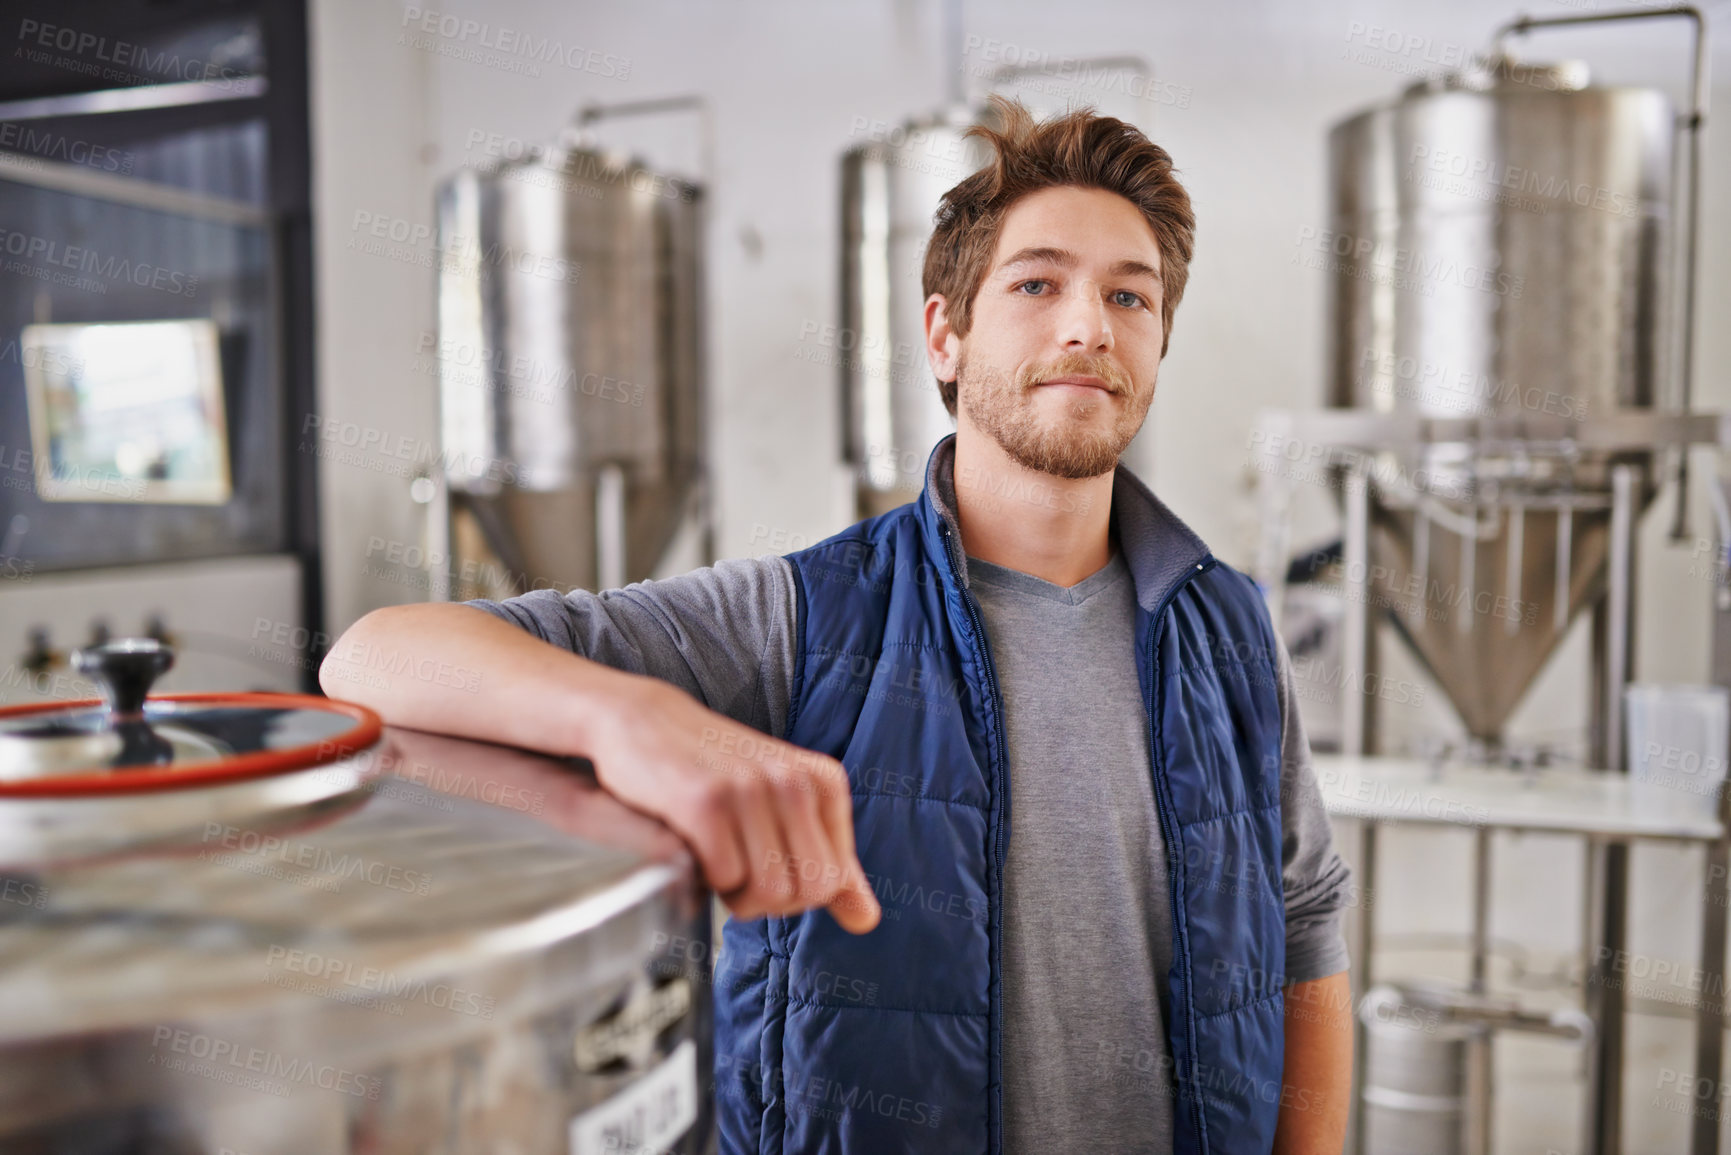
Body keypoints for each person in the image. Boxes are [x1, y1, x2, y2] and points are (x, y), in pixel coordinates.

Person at [323, 95, 1354, 1155]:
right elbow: (372, 659)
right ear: (945, 335)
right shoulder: (809, 618)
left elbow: (1308, 921)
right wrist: (624, 719)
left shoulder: (1227, 625)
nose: (1088, 326)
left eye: (1130, 297)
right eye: (1037, 283)